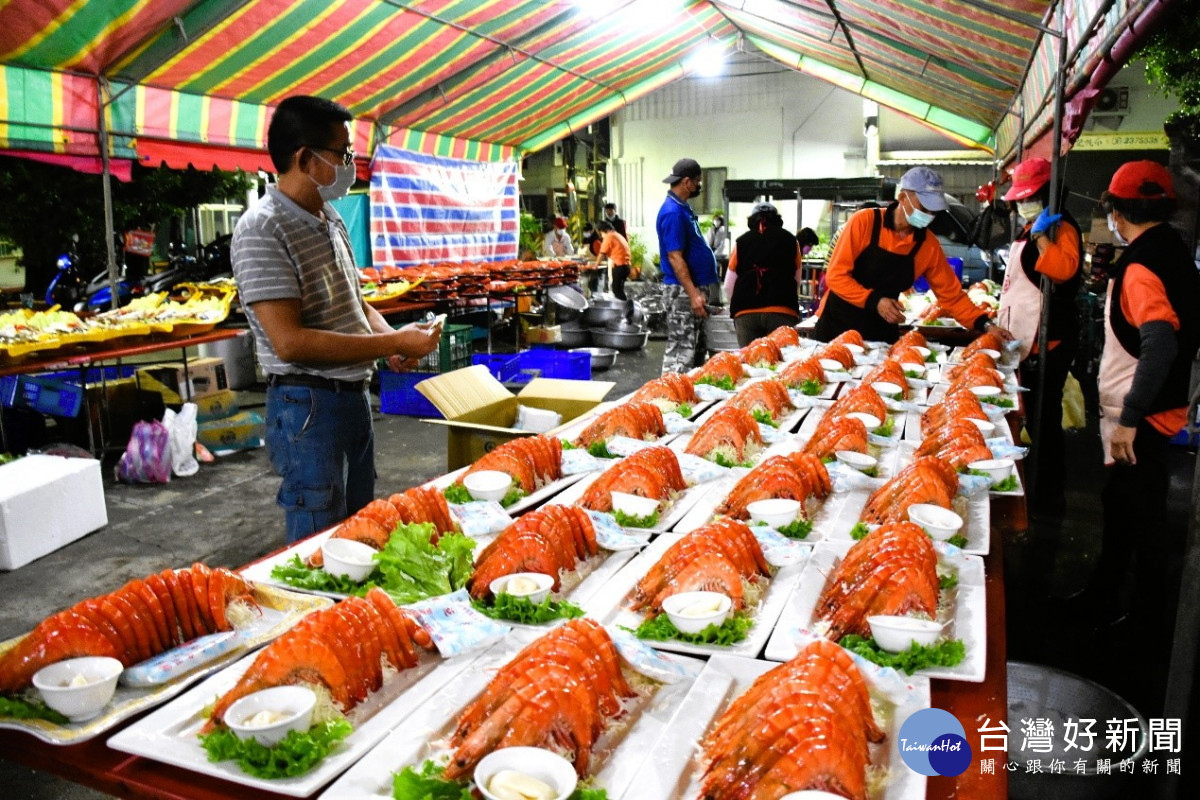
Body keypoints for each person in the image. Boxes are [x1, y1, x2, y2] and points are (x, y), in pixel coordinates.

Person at [232, 95, 442, 543]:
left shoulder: (328, 216)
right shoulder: (262, 229)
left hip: (350, 395)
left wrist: (390, 338)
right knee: (321, 540)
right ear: (306, 158)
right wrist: (393, 344)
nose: (350, 164)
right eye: (342, 154)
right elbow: (291, 342)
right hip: (307, 406)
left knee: (360, 531)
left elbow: (352, 302)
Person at [1074, 160, 1200, 632]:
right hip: (1158, 409)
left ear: (1119, 211)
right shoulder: (1173, 250)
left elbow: (1160, 341)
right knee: (1123, 509)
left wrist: (1129, 416)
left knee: (1144, 519)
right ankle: (1103, 597)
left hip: (1142, 418)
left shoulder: (1142, 265)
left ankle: (1145, 623)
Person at [812, 166, 1012, 344]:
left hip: (881, 336)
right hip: (836, 329)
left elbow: (952, 297)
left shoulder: (928, 246)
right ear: (902, 197)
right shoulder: (864, 222)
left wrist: (987, 325)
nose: (930, 215)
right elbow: (836, 276)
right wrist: (875, 301)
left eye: (934, 210)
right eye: (924, 207)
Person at [995, 157, 1082, 515]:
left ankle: (1048, 499)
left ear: (1050, 193)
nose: (1023, 204)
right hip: (1025, 338)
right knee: (1032, 418)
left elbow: (1063, 271)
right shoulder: (1031, 226)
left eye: (1031, 196)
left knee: (1045, 423)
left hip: (1049, 341)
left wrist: (1043, 237)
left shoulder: (1061, 228)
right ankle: (1034, 485)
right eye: (1021, 198)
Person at [656, 157, 721, 374]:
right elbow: (675, 257)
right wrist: (693, 294)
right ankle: (669, 401)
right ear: (686, 182)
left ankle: (690, 401)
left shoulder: (682, 208)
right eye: (697, 182)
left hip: (691, 289)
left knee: (695, 350)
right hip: (682, 291)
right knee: (681, 353)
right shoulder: (673, 212)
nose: (699, 186)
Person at [722, 203, 803, 346]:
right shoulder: (791, 241)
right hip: (782, 309)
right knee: (783, 361)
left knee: (749, 363)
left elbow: (729, 286)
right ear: (777, 220)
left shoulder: (741, 242)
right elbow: (796, 281)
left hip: (745, 312)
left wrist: (736, 306)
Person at [595, 220, 632, 300]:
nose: (601, 236)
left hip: (619, 267)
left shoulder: (609, 236)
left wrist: (595, 266)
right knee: (619, 290)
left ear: (603, 230)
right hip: (626, 266)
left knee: (617, 291)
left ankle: (625, 309)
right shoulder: (617, 235)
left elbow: (602, 253)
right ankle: (624, 307)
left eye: (601, 233)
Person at [707, 213, 730, 278]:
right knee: (715, 264)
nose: (716, 221)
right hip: (713, 249)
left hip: (721, 250)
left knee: (721, 263)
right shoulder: (712, 229)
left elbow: (722, 242)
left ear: (721, 221)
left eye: (717, 220)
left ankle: (722, 277)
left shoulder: (723, 229)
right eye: (715, 220)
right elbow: (709, 240)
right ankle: (716, 276)